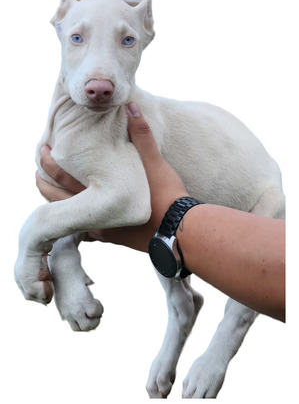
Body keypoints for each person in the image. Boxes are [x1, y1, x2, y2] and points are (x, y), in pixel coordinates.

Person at [36, 102, 285, 322]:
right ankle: (182, 317)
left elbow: (125, 201)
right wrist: (63, 253)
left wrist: (50, 243)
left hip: (257, 197)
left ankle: (217, 343)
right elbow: (90, 198)